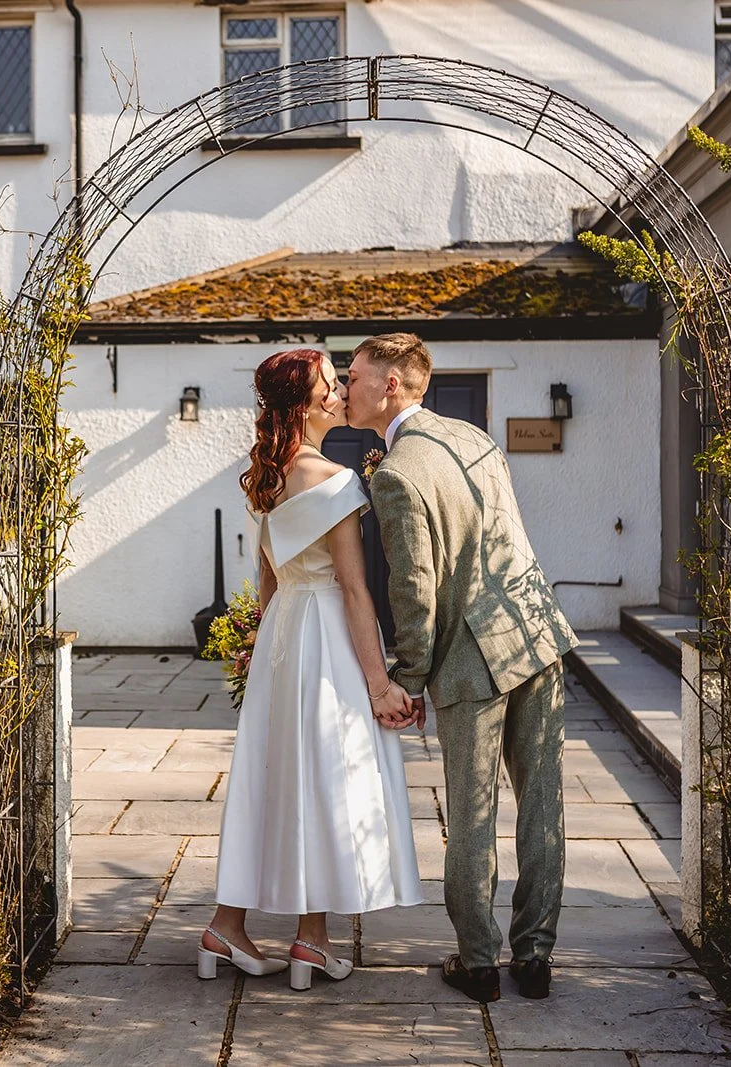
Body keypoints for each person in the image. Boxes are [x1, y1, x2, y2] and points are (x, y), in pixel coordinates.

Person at [343, 332, 577, 1004]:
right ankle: (534, 956)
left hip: (470, 660)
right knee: (542, 804)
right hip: (535, 634)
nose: (346, 383)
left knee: (472, 814)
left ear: (390, 383)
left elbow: (412, 589)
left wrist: (406, 678)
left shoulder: (395, 471)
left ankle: (477, 962)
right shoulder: (474, 437)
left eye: (354, 373)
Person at [202, 348, 423, 992]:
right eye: (329, 385)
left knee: (273, 776)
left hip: (283, 635)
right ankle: (310, 941)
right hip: (326, 634)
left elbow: (268, 577)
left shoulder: (264, 475)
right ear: (304, 401)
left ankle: (228, 925)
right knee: (325, 775)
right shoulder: (334, 479)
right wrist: (379, 683)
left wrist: (259, 644)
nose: (337, 395)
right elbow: (355, 592)